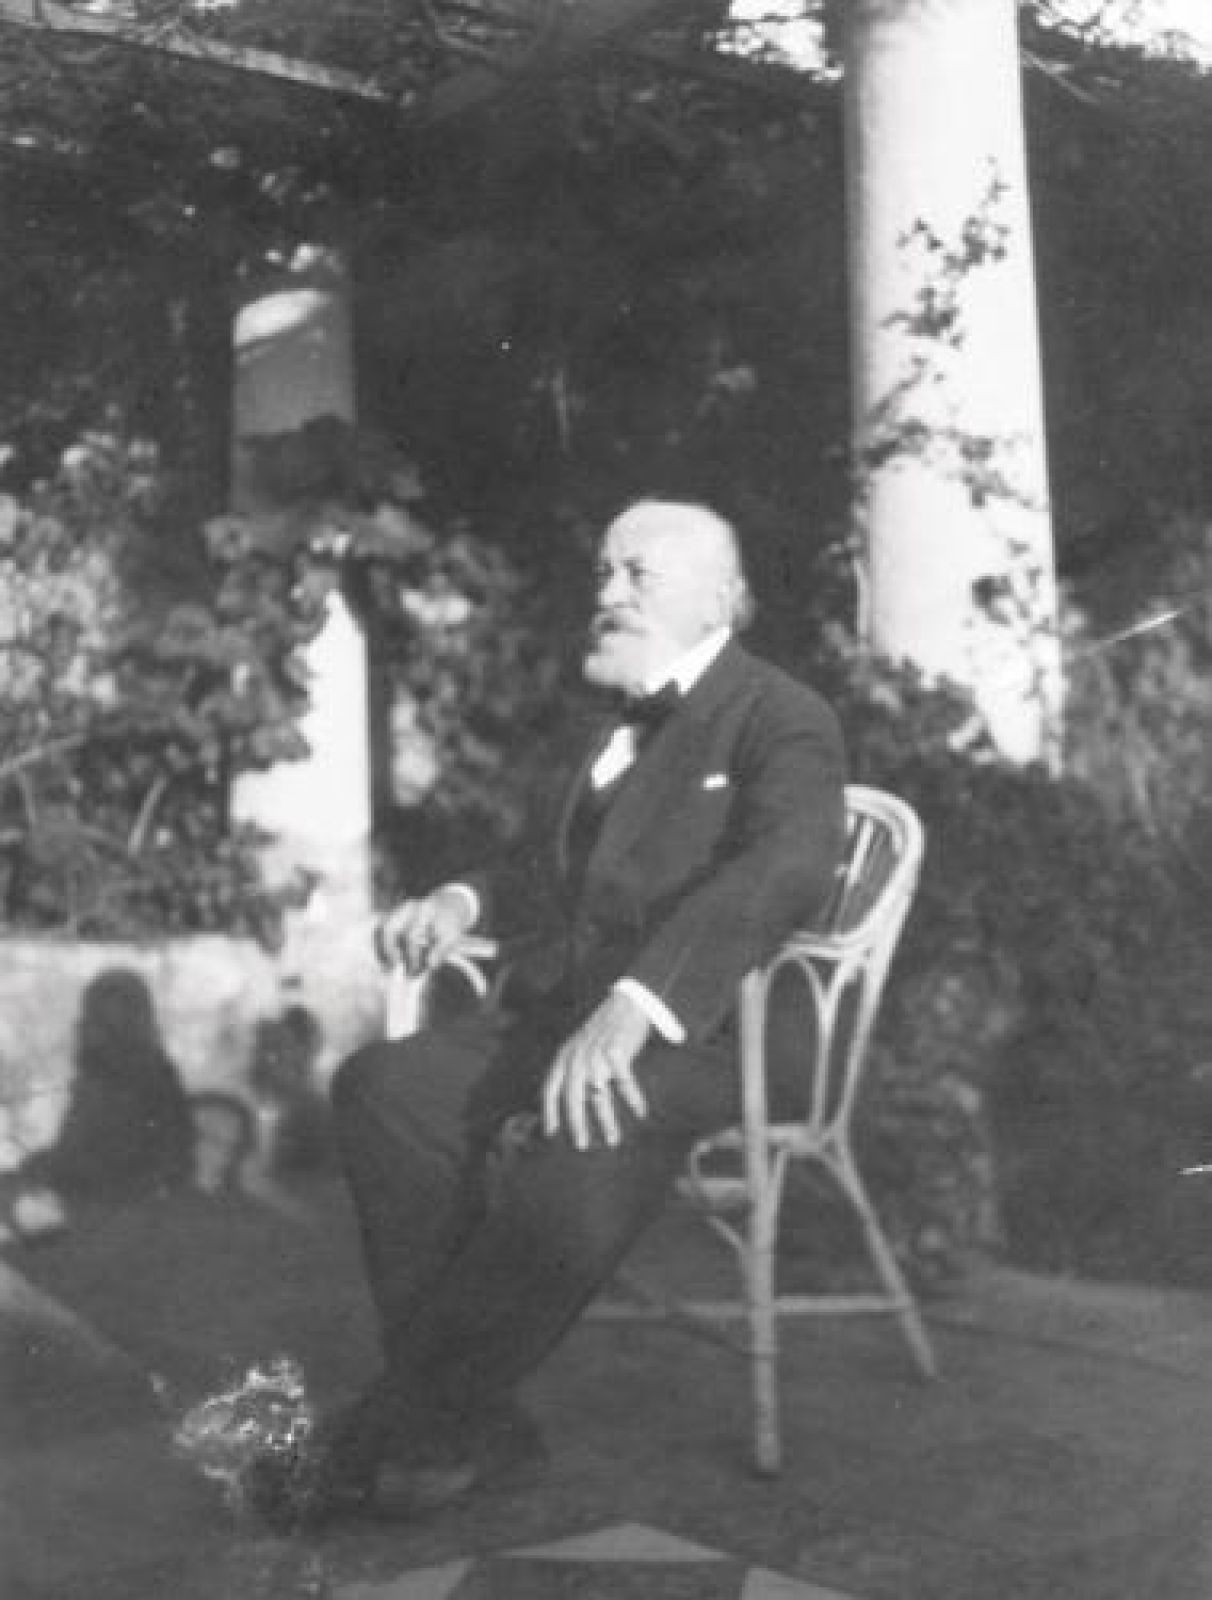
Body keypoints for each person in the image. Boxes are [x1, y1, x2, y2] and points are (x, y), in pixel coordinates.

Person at [289, 499, 847, 1524]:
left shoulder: (780, 714)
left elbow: (786, 867)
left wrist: (641, 1001)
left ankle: (391, 1429)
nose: (608, 594)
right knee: (384, 1090)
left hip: (715, 1034)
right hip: (566, 1019)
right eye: (603, 573)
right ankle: (465, 1420)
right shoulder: (604, 725)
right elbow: (543, 873)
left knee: (592, 1114)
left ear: (722, 598)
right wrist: (462, 901)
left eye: (639, 575)